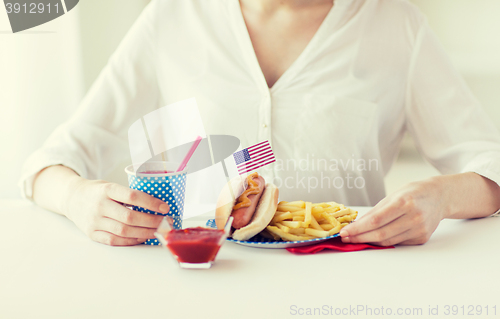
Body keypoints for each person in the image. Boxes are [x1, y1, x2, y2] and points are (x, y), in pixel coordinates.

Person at [20, 0, 500, 246]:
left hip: (346, 288)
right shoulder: (175, 17)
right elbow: (54, 160)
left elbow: (489, 165)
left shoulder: (394, 24)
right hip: (202, 289)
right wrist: (77, 197)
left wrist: (441, 196)